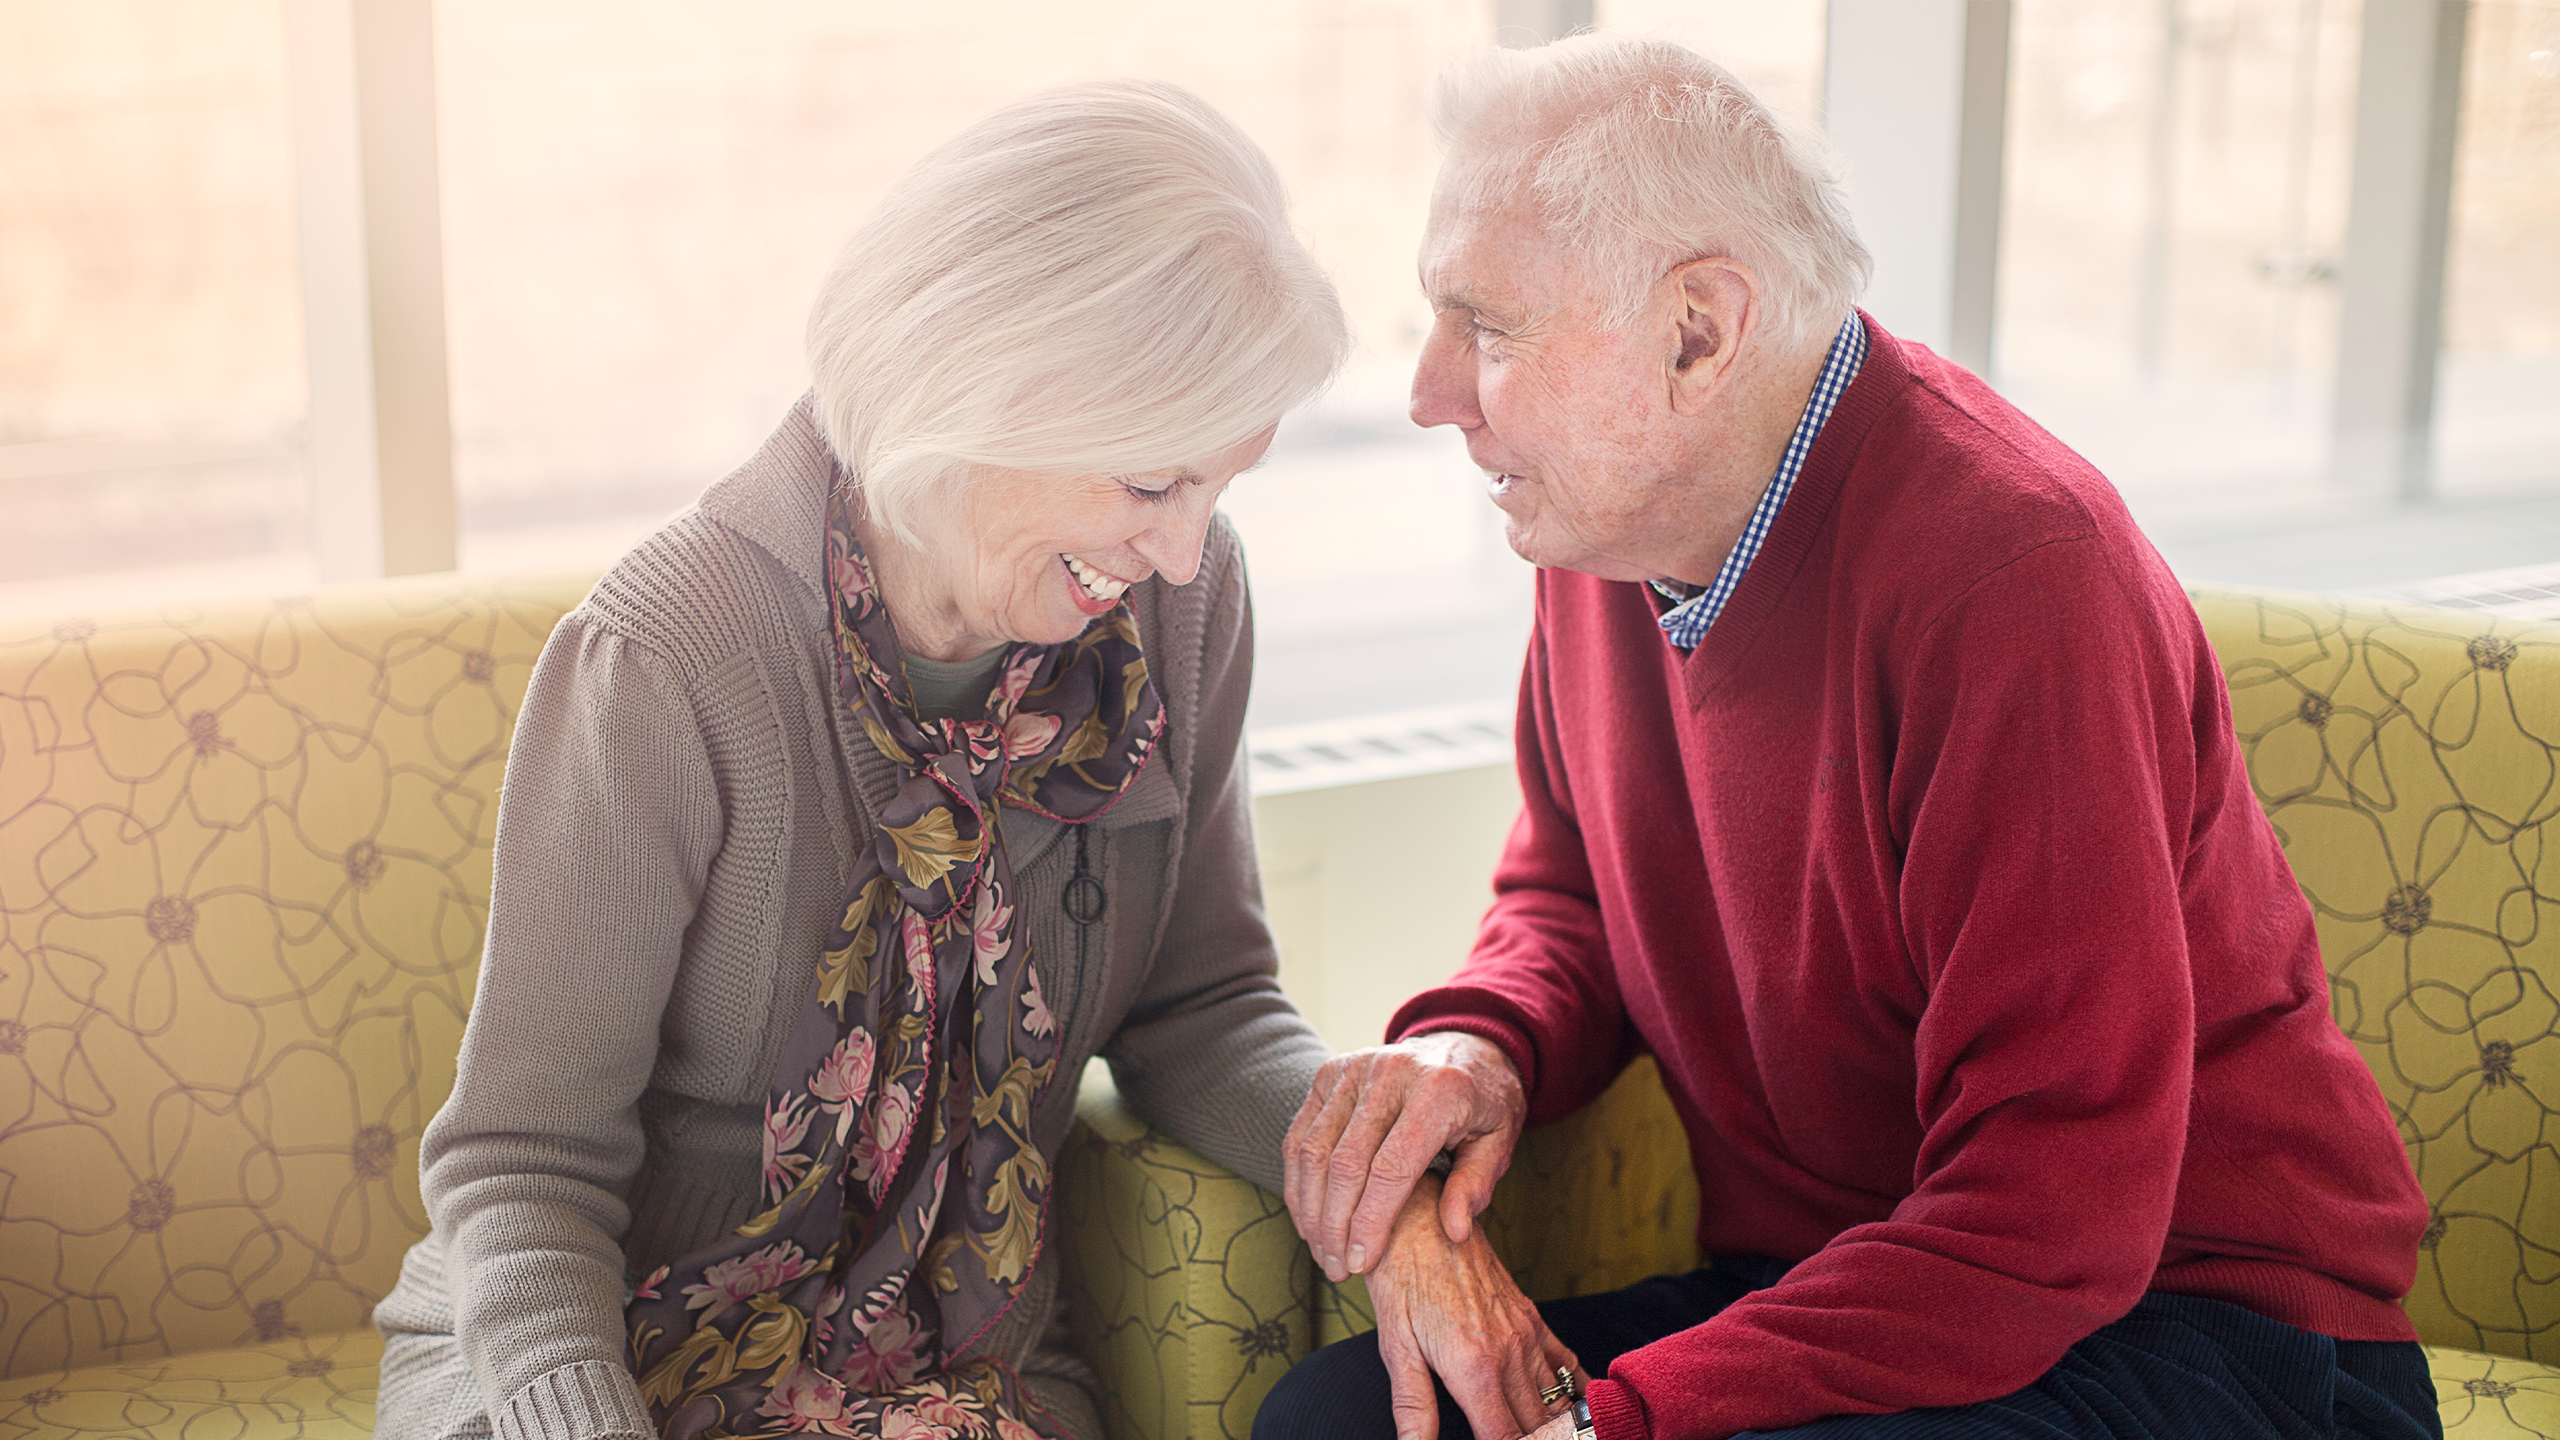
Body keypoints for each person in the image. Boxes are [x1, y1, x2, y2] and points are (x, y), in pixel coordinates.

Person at [1260, 36, 2436, 1440]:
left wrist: (1609, 1426)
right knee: (1340, 1423)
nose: (1433, 392)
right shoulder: (1600, 526)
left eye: (1491, 331)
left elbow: (2046, 1211)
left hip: (2200, 1330)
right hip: (1848, 1290)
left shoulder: (2015, 578)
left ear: (1700, 331)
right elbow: (1572, 894)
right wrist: (1475, 1053)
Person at [372, 80, 1347, 1440]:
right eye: (1151, 485)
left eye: (1221, 487)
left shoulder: (1179, 612)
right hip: (601, 1362)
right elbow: (519, 1164)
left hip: (955, 1371)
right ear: (984, 393)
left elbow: (1205, 1007)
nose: (1185, 550)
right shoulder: (669, 658)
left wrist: (1376, 1162)